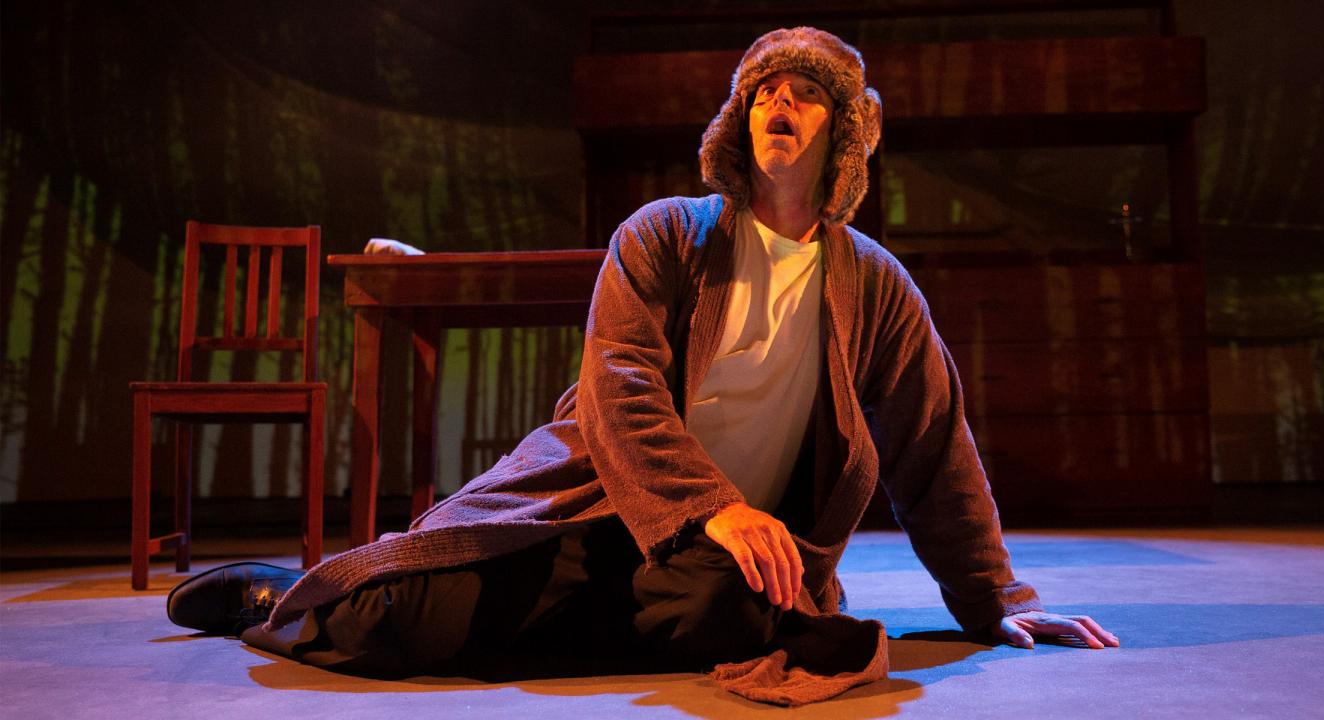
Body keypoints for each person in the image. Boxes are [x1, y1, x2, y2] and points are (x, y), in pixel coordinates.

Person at [166, 27, 1116, 706]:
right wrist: (717, 501)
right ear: (739, 123)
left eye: (804, 92)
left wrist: (992, 601)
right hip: (603, 504)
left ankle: (590, 618)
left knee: (728, 602)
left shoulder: (873, 284)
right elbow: (618, 393)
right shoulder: (664, 237)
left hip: (731, 555)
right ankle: (271, 596)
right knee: (389, 624)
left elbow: (933, 445)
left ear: (844, 135)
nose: (778, 103)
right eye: (763, 93)